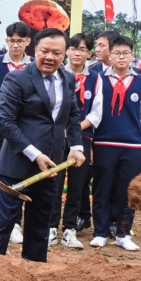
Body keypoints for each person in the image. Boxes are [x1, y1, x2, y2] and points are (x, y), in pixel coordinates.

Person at [0, 28, 85, 263]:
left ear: (65, 54)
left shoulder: (68, 79)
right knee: (4, 224)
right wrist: (34, 154)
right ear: (35, 50)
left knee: (40, 226)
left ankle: (33, 273)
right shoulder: (17, 78)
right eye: (44, 51)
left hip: (51, 167)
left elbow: (72, 116)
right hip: (16, 166)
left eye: (57, 52)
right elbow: (6, 123)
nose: (50, 57)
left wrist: (76, 146)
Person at [84, 35, 141, 252]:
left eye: (125, 53)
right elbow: (93, 113)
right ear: (109, 55)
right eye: (116, 53)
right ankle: (100, 232)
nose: (121, 57)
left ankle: (123, 233)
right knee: (102, 189)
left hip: (132, 146)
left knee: (128, 191)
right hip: (104, 143)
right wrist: (92, 144)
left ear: (132, 55)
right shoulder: (98, 80)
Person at [0, 21, 32, 238]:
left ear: (28, 42)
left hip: (25, 129)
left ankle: (16, 223)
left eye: (20, 41)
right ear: (6, 41)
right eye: (12, 41)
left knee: (21, 174)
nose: (15, 45)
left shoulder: (33, 64)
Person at [49, 32, 95, 248]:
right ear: (67, 50)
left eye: (83, 49)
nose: (77, 53)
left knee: (77, 185)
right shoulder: (56, 74)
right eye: (74, 48)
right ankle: (50, 227)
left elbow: (96, 113)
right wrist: (61, 130)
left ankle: (69, 229)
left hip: (81, 139)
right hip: (55, 137)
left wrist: (73, 130)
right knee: (54, 183)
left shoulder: (96, 79)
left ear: (89, 53)